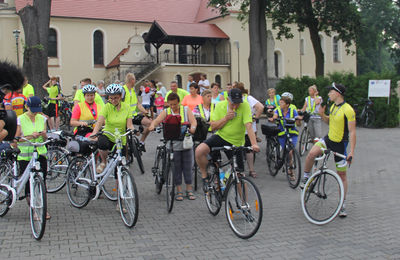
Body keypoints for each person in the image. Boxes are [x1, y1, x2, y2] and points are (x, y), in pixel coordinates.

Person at [302, 83, 356, 217]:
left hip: (340, 144)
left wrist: (352, 152)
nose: (328, 94)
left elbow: (353, 132)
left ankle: (342, 204)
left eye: (330, 92)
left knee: (342, 175)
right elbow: (329, 122)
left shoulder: (348, 110)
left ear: (338, 93)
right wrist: (322, 114)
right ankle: (306, 178)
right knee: (311, 154)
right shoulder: (332, 106)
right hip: (328, 140)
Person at [195, 88, 260, 191]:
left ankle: (244, 204)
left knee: (239, 175)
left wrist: (254, 144)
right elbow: (214, 127)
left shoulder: (244, 106)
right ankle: (205, 176)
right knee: (199, 150)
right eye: (233, 103)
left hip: (236, 142)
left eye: (238, 103)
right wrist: (226, 118)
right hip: (221, 137)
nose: (235, 106)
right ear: (227, 99)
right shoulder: (220, 106)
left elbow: (248, 125)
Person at [149, 92, 197, 201]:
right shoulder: (166, 111)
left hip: (186, 143)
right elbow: (157, 121)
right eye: (170, 105)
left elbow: (193, 121)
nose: (172, 107)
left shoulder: (186, 110)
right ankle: (178, 190)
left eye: (174, 104)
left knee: (188, 167)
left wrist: (193, 128)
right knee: (176, 167)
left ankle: (189, 189)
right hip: (173, 144)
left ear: (178, 103)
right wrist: (152, 125)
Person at [14, 96, 50, 219]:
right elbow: (16, 139)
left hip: (39, 152)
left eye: (37, 110)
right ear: (26, 107)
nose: (35, 112)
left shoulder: (42, 118)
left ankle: (43, 207)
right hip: (26, 154)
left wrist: (44, 135)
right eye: (32, 110)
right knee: (29, 182)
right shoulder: (21, 119)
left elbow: (45, 138)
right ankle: (33, 208)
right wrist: (30, 136)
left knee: (42, 180)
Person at [91, 83, 135, 173]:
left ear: (120, 96)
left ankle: (119, 186)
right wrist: (94, 133)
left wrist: (132, 129)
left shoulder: (126, 107)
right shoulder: (107, 107)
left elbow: (129, 124)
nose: (113, 100)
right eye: (111, 98)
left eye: (116, 97)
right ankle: (103, 162)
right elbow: (99, 121)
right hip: (108, 134)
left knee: (120, 168)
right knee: (102, 143)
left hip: (120, 138)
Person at [234, 83, 264, 178]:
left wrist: (255, 117)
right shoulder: (247, 98)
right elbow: (260, 107)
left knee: (243, 150)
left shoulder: (247, 98)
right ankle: (251, 170)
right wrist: (255, 117)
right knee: (248, 150)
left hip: (245, 129)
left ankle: (244, 170)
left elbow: (261, 107)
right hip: (245, 128)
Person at [122, 73, 152, 151]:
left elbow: (138, 104)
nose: (135, 81)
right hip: (125, 117)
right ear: (132, 80)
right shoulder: (123, 90)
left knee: (149, 123)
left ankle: (141, 142)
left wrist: (146, 113)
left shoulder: (133, 90)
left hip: (134, 115)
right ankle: (126, 156)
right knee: (127, 137)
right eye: (134, 80)